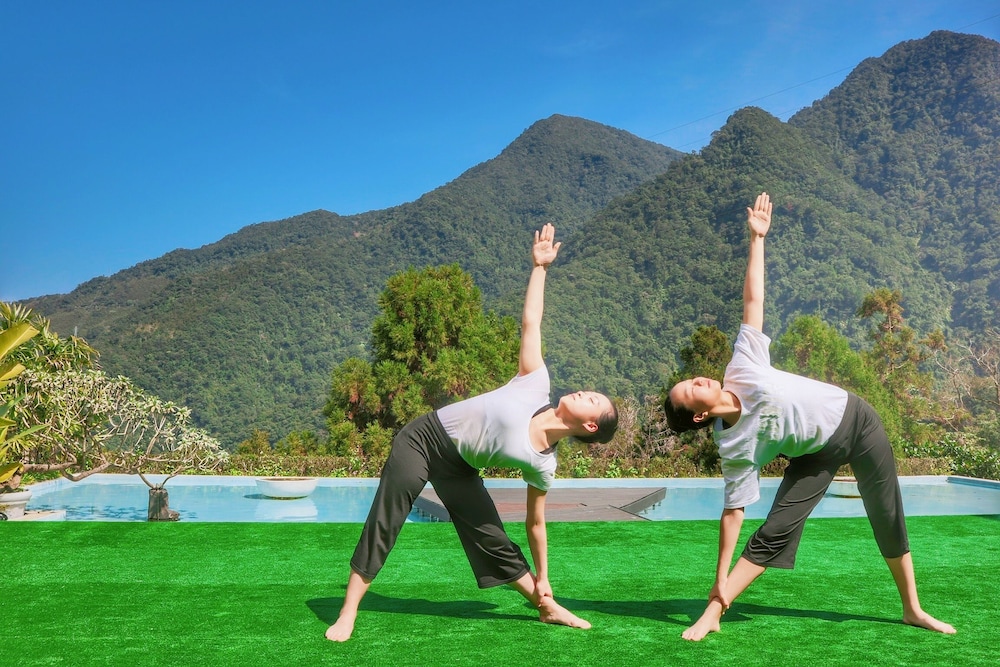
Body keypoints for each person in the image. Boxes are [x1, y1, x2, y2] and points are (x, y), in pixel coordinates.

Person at [664, 192, 955, 641]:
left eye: (692, 379)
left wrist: (757, 239)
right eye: (691, 391)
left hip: (857, 421)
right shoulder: (734, 445)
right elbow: (733, 511)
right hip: (814, 456)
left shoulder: (741, 366)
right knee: (775, 530)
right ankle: (714, 611)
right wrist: (718, 577)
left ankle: (912, 609)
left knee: (887, 514)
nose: (699, 380)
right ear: (699, 416)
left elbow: (753, 302)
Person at [326, 223, 619, 642]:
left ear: (590, 426)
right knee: (387, 518)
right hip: (423, 439)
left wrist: (544, 576)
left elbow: (536, 524)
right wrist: (540, 268)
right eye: (588, 391)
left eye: (591, 399)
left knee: (492, 538)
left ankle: (547, 607)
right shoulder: (535, 382)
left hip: (460, 468)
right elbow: (531, 323)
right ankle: (348, 610)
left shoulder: (543, 464)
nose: (583, 392)